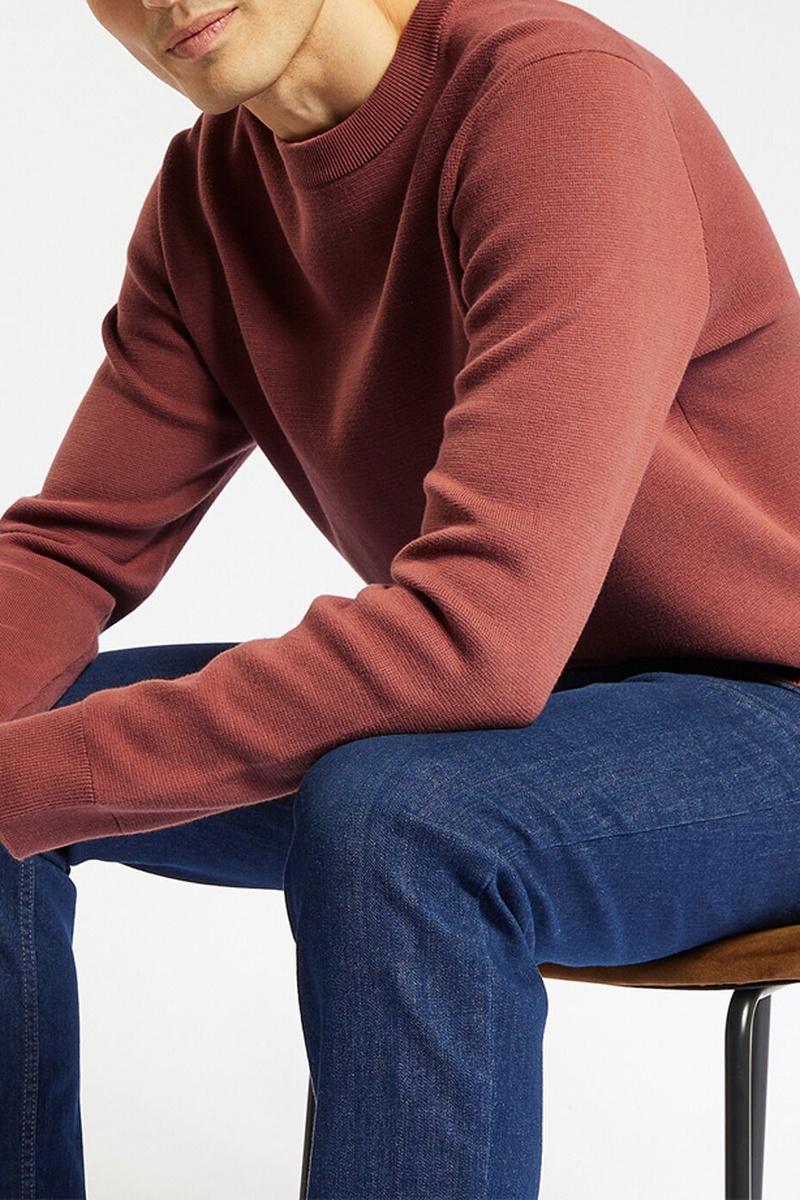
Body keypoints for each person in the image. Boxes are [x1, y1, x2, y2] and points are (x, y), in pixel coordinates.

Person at [1, 0, 799, 1195]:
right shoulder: (210, 197)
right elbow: (72, 546)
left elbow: (477, 637)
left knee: (401, 814)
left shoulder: (559, 102)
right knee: (30, 736)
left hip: (767, 716)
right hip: (522, 718)